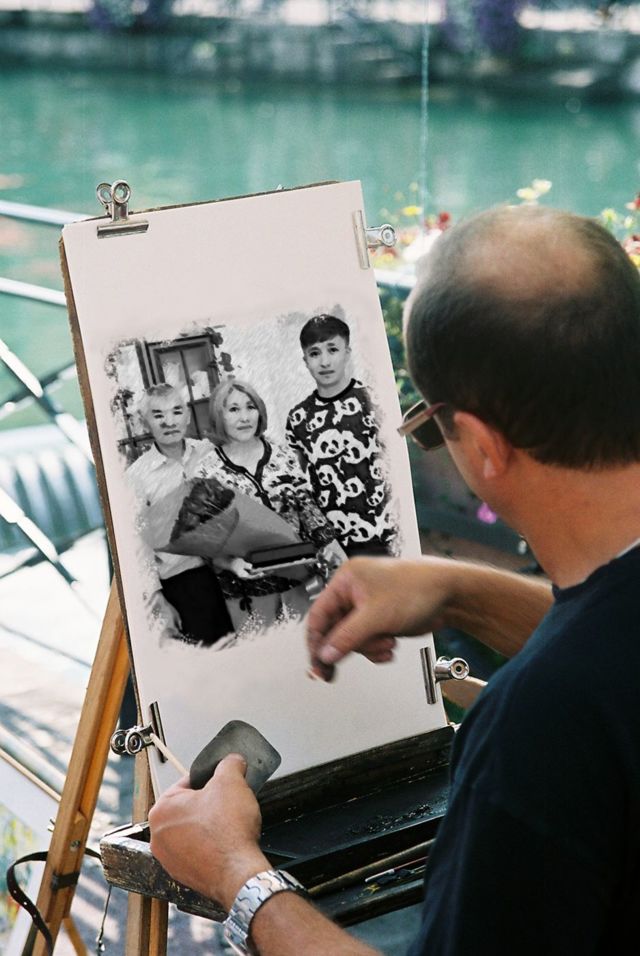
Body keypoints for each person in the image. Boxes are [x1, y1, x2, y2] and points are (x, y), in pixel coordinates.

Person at [148, 204, 640, 955]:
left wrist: (238, 877)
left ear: (480, 445)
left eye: (430, 428)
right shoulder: (584, 683)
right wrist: (460, 589)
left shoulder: (533, 732)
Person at [196, 379, 339, 633]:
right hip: (247, 594)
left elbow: (313, 518)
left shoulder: (284, 456)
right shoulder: (206, 472)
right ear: (219, 416)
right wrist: (231, 564)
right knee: (267, 655)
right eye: (233, 409)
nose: (244, 417)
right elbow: (205, 540)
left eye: (250, 407)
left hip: (301, 584)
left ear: (259, 411)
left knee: (311, 649)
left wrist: (340, 564)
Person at [126, 383, 233, 646]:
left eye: (176, 411)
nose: (169, 422)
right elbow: (137, 545)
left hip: (232, 569)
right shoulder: (136, 477)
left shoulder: (210, 453)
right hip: (185, 583)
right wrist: (157, 599)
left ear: (187, 416)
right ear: (145, 423)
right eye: (158, 415)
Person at [285, 314, 395, 557]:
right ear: (305, 361)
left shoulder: (376, 401)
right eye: (315, 353)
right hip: (339, 547)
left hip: (388, 534)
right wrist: (324, 541)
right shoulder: (298, 418)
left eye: (332, 349)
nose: (324, 361)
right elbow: (300, 486)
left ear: (347, 352)